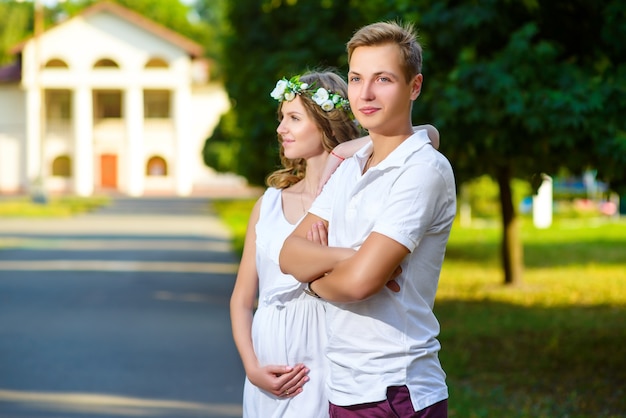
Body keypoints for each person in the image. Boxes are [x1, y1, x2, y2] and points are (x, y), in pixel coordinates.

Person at [230, 70, 441, 418]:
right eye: (282, 118)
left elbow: (426, 136)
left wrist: (342, 151)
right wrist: (252, 369)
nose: (281, 128)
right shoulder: (267, 203)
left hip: (325, 359)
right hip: (266, 375)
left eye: (294, 118)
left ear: (327, 124)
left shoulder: (352, 195)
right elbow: (241, 300)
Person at [279, 21, 457, 418]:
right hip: (345, 385)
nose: (366, 93)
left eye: (383, 79)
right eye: (357, 78)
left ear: (415, 87)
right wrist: (354, 256)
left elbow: (361, 284)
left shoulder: (421, 170)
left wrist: (317, 276)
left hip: (396, 389)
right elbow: (289, 254)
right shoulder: (350, 165)